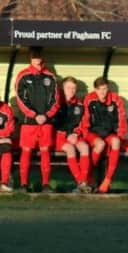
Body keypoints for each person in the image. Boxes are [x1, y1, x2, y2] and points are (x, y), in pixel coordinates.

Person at [14, 47, 60, 192]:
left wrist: (46, 116)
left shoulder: (50, 76)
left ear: (42, 57)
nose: (37, 59)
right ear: (30, 58)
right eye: (34, 56)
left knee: (45, 152)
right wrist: (34, 115)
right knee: (26, 152)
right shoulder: (23, 75)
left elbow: (56, 100)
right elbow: (20, 99)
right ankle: (23, 184)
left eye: (38, 55)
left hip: (45, 122)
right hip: (29, 123)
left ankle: (45, 184)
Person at [79, 76, 127, 193]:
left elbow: (122, 121)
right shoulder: (89, 99)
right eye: (100, 89)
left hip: (109, 133)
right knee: (100, 145)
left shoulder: (116, 100)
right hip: (93, 133)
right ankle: (89, 178)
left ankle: (107, 180)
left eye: (105, 89)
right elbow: (84, 120)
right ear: (95, 89)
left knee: (116, 142)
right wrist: (85, 135)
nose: (103, 92)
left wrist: (120, 135)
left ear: (108, 88)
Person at [54, 76, 92, 194]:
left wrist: (76, 133)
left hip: (73, 135)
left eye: (73, 88)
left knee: (84, 147)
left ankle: (83, 183)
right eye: (68, 87)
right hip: (57, 136)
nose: (71, 90)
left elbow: (84, 122)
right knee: (70, 149)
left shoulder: (80, 104)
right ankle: (81, 182)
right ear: (63, 88)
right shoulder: (55, 102)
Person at [0, 100, 15, 192]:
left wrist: (2, 137)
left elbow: (10, 128)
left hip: (3, 138)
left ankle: (5, 182)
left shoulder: (6, 109)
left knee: (7, 149)